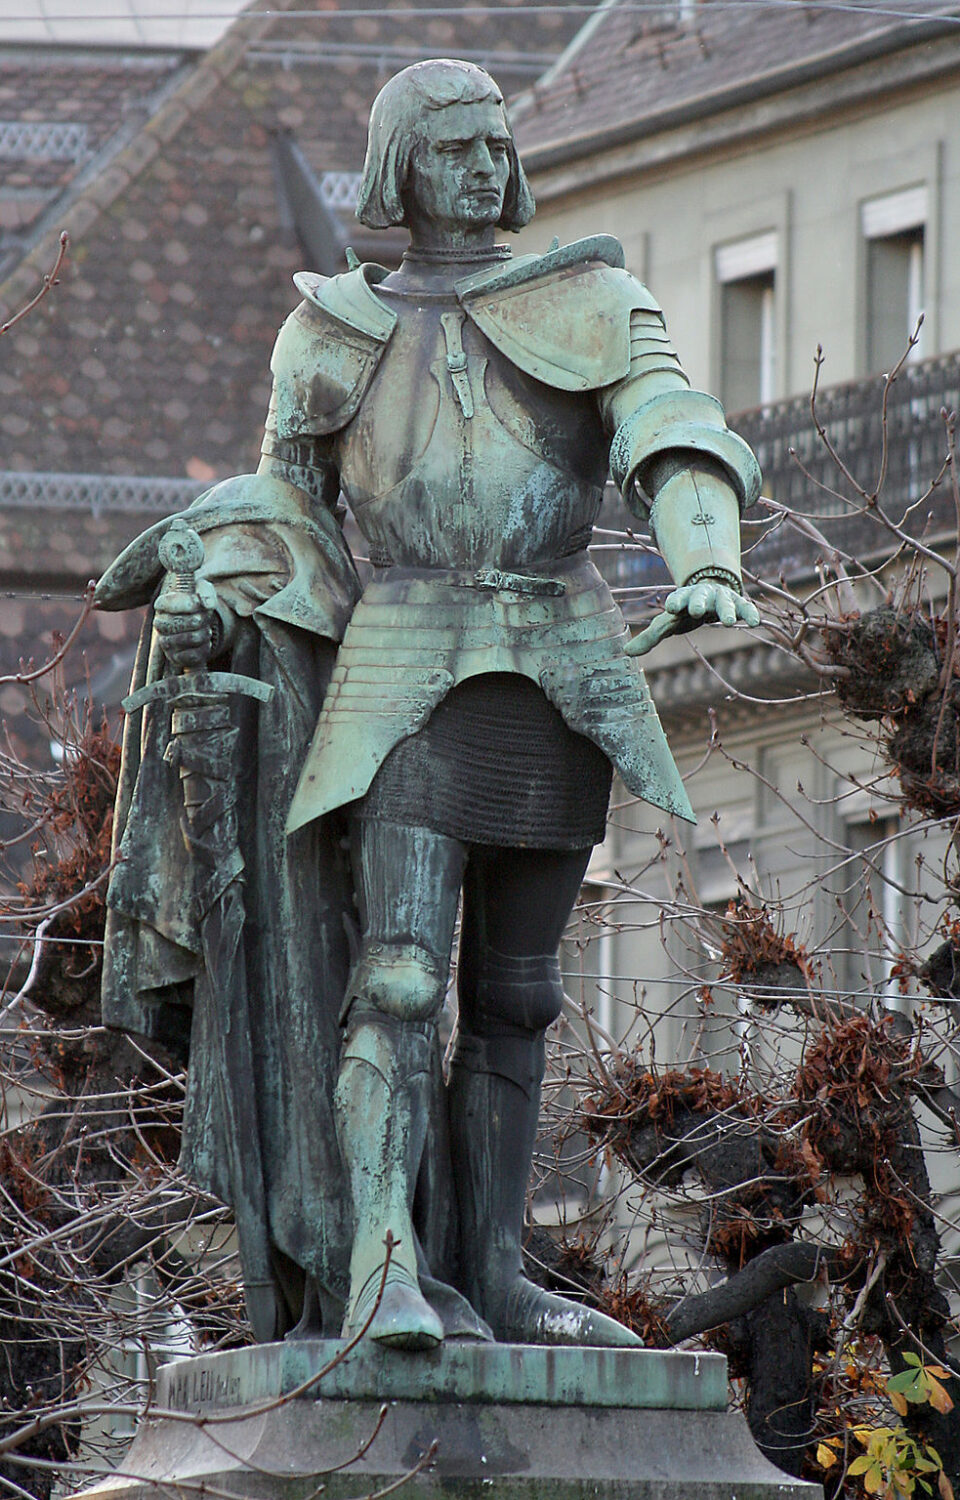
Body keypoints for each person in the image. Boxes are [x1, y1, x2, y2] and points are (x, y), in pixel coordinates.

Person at [96, 58, 760, 1353]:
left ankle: (498, 1273)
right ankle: (386, 1261)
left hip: (561, 660)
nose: (483, 166)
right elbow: (283, 504)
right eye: (454, 146)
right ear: (400, 164)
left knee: (519, 998)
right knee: (398, 981)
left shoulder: (591, 296)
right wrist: (212, 584)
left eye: (495, 143)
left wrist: (711, 560)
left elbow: (672, 426)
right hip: (399, 662)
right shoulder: (328, 328)